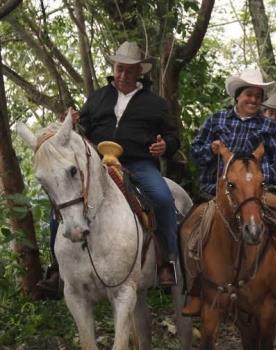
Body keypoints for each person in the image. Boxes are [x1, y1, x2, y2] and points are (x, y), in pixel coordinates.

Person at [36, 41, 181, 290]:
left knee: (163, 198)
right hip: (97, 163)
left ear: (139, 72)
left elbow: (173, 136)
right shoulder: (97, 98)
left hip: (138, 163)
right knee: (61, 202)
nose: (123, 75)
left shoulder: (155, 103)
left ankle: (167, 261)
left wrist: (165, 146)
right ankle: (57, 267)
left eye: (129, 70)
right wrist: (71, 123)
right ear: (114, 68)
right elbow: (82, 131)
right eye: (119, 69)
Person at [184, 67, 276, 316]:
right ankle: (194, 288)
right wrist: (211, 151)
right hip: (218, 191)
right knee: (188, 228)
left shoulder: (269, 126)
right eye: (249, 94)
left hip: (257, 191)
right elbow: (196, 151)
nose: (254, 100)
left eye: (258, 96)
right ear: (238, 96)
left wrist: (263, 177)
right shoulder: (216, 120)